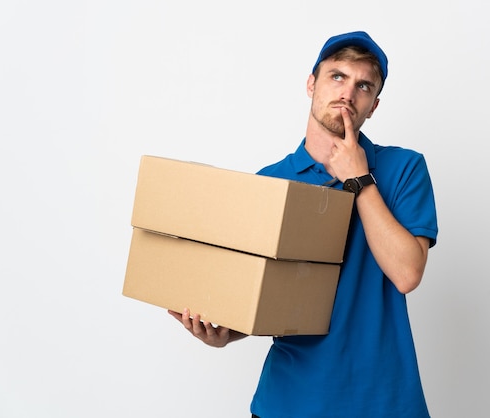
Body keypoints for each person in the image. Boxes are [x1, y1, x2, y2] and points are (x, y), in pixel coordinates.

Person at [169, 31, 438, 417]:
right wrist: (225, 332)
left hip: (384, 402)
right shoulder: (269, 182)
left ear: (374, 105)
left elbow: (407, 273)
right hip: (290, 402)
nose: (348, 93)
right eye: (337, 76)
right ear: (311, 83)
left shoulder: (403, 169)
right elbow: (263, 297)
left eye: (363, 85)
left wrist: (359, 179)